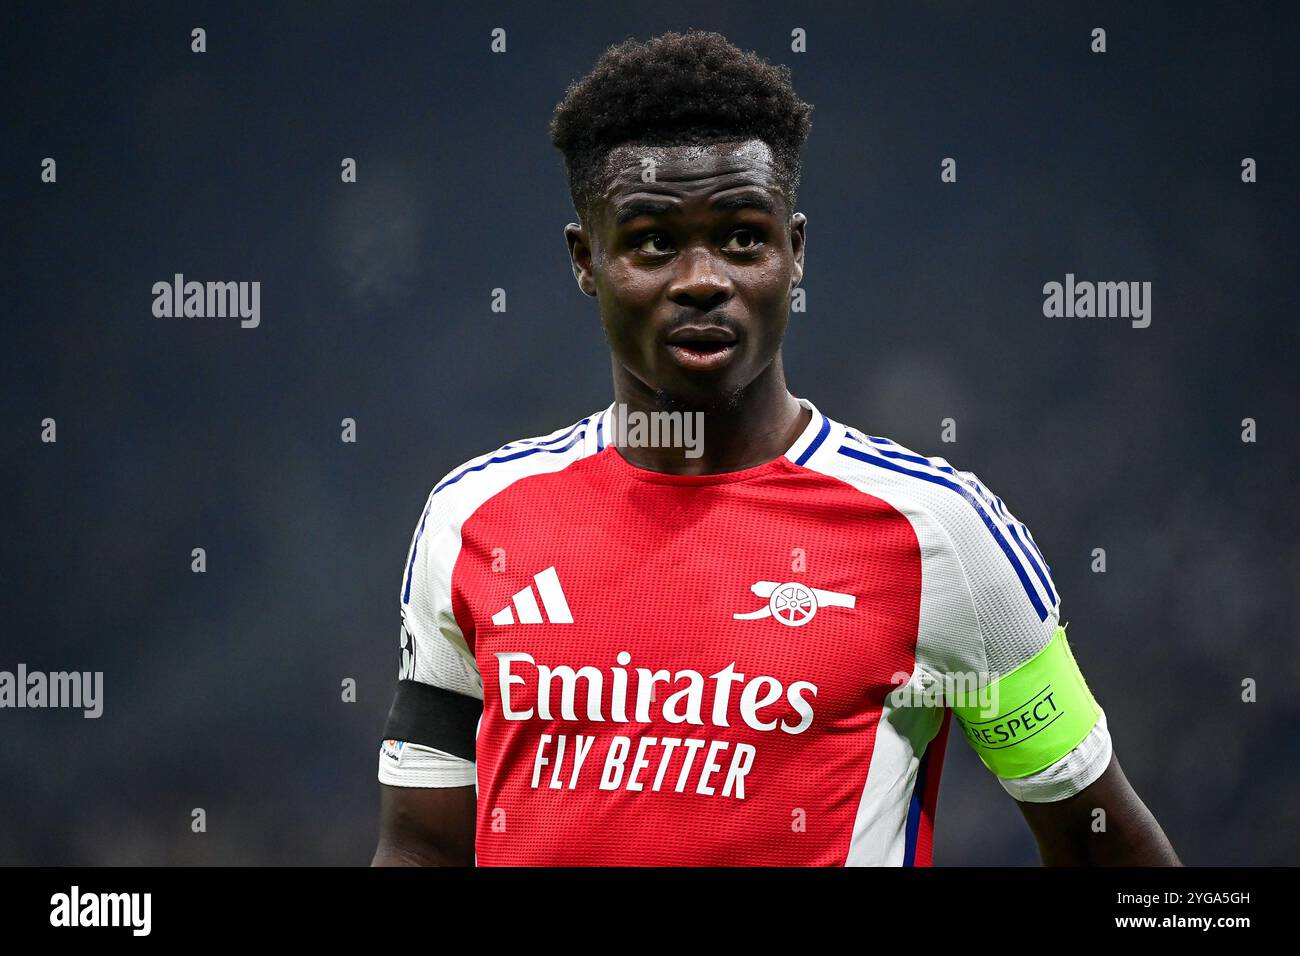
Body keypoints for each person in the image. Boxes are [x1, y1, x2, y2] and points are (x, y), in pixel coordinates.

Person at [372, 29, 1179, 866]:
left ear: (796, 253)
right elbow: (421, 846)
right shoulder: (472, 520)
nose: (702, 278)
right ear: (587, 260)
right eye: (652, 241)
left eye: (742, 238)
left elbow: (1105, 846)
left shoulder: (939, 535)